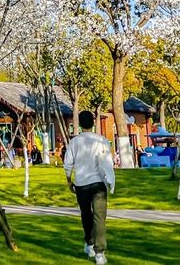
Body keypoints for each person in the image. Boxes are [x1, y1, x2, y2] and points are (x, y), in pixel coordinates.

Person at [64, 110, 115, 265]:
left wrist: (69, 181)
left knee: (86, 214)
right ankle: (100, 253)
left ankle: (90, 243)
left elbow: (68, 163)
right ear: (93, 123)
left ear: (79, 123)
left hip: (81, 183)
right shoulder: (101, 140)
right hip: (98, 183)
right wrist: (110, 181)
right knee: (99, 217)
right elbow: (108, 162)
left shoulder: (75, 142)